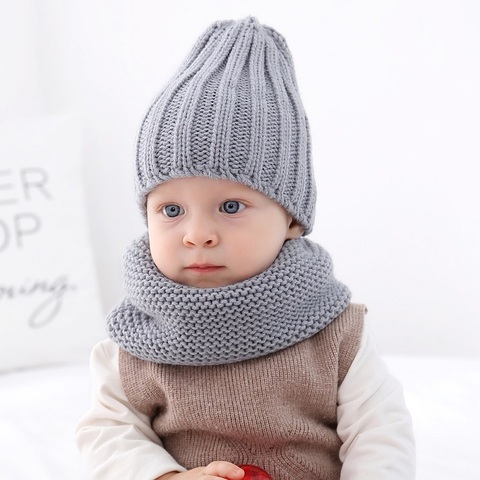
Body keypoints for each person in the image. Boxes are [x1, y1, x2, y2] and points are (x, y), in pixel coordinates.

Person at [76, 17, 415, 480]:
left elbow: (379, 433)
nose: (197, 234)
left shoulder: (337, 332)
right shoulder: (136, 340)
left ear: (291, 218)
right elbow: (108, 431)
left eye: (230, 205)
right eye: (171, 211)